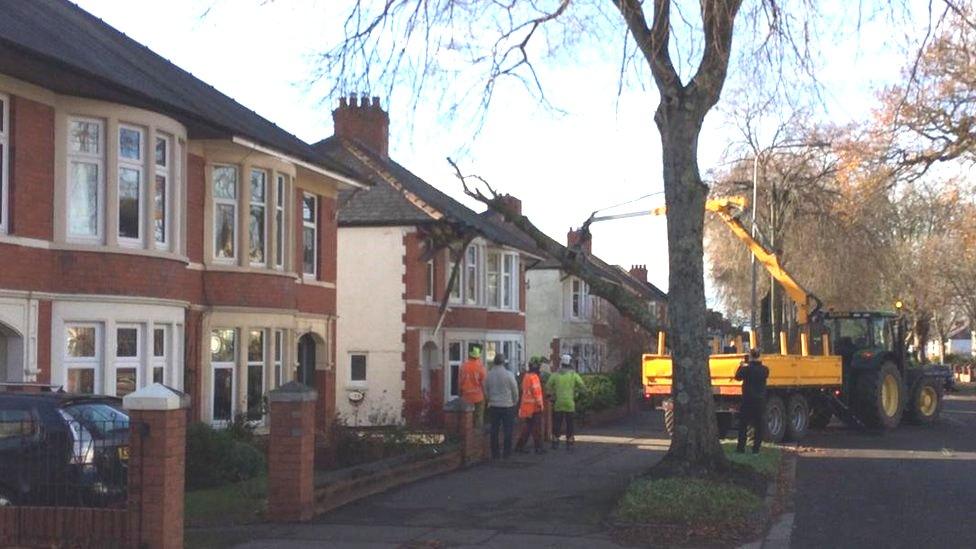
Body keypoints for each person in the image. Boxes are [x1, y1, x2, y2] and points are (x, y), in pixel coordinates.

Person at [546, 354, 586, 452]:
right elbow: (582, 387)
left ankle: (555, 442)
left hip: (558, 403)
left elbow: (548, 386)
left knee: (557, 424)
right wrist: (576, 393)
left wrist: (551, 396)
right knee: (570, 424)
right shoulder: (573, 375)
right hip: (570, 404)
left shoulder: (555, 375)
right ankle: (570, 442)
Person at [485, 353, 520, 459]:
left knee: (494, 430)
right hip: (507, 405)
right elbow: (515, 390)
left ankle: (495, 453)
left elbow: (485, 389)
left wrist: (490, 399)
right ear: (504, 362)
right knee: (508, 430)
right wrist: (514, 402)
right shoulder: (509, 374)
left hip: (494, 405)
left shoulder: (489, 374)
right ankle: (506, 452)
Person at [735, 348, 769, 454]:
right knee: (759, 426)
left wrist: (741, 366)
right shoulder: (765, 369)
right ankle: (756, 449)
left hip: (747, 400)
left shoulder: (747, 369)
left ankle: (741, 448)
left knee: (743, 425)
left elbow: (737, 377)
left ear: (750, 357)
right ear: (759, 356)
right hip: (760, 400)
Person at [515, 360, 546, 455]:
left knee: (527, 428)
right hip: (534, 407)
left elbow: (522, 389)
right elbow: (536, 393)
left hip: (526, 407)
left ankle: (520, 446)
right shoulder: (534, 377)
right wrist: (540, 404)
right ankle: (538, 447)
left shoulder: (526, 377)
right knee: (536, 428)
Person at [459, 346, 487, 428]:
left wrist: (460, 393)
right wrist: (486, 395)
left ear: (469, 356)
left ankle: (467, 434)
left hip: (466, 396)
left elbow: (460, 382)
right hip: (478, 396)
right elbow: (484, 383)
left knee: (467, 418)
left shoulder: (463, 367)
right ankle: (477, 436)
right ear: (478, 356)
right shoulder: (481, 367)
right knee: (479, 417)